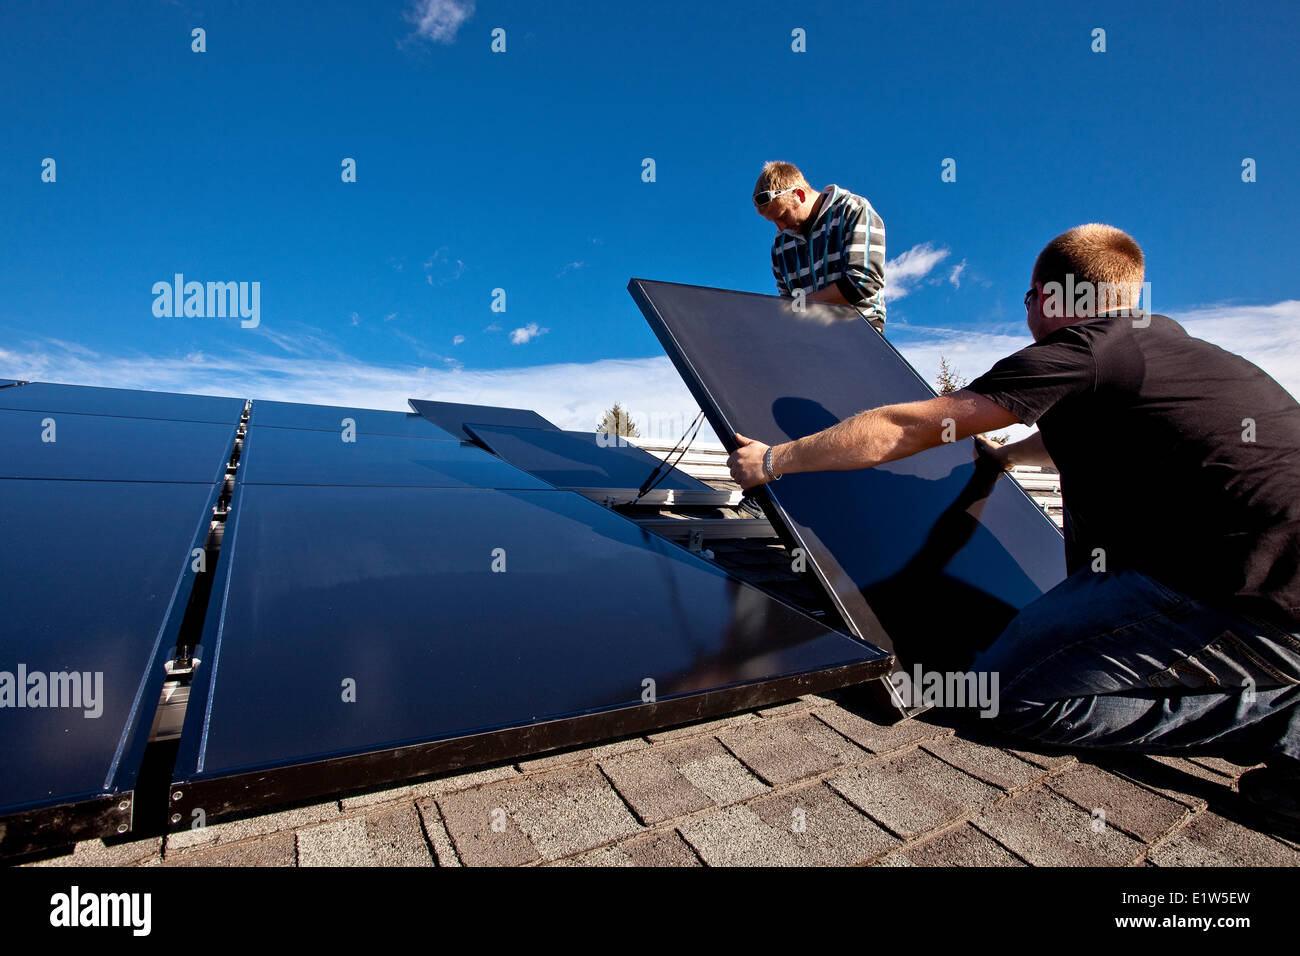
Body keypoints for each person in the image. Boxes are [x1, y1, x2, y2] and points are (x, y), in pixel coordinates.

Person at [727, 223, 1300, 835]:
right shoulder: (1169, 354)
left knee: (1001, 698)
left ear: (1050, 298)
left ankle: (1280, 720)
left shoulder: (1084, 350)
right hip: (1265, 576)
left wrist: (773, 461)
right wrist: (1003, 459)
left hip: (1247, 596)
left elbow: (906, 426)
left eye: (1028, 299)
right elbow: (1063, 438)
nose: (1027, 312)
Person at [752, 161, 887, 330]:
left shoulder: (853, 210)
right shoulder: (781, 244)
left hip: (859, 329)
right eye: (773, 222)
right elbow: (787, 302)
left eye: (783, 215)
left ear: (799, 195)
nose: (781, 227)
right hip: (812, 335)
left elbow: (863, 281)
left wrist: (801, 306)